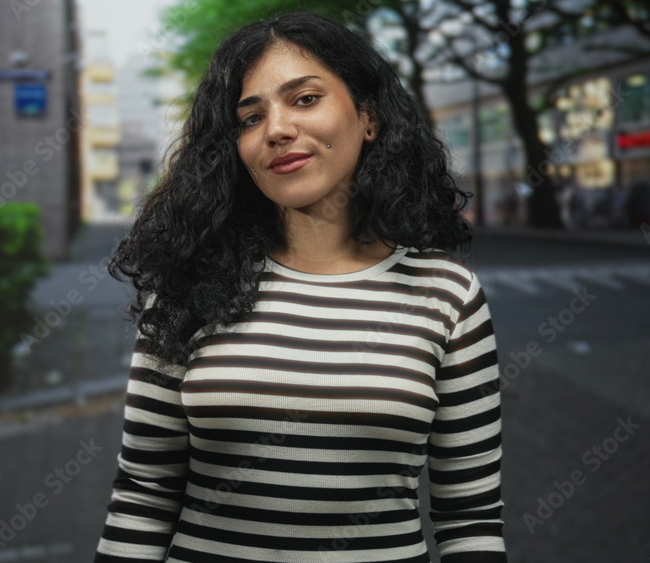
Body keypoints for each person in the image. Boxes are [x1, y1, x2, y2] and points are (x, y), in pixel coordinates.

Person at [95, 11, 507, 562]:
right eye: (249, 117)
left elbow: (470, 517)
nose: (277, 129)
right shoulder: (188, 284)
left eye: (305, 98)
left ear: (369, 117)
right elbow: (144, 495)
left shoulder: (447, 294)